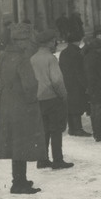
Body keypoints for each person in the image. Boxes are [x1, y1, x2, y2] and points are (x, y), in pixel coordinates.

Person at [0, 23, 48, 194]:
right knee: (22, 144)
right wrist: (31, 100)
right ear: (21, 41)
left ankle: (19, 179)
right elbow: (30, 85)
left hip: (5, 106)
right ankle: (18, 184)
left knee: (16, 144)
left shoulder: (1, 57)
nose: (27, 44)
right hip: (22, 108)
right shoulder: (22, 59)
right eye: (25, 40)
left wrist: (2, 92)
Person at [30, 30, 74, 170]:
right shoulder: (50, 58)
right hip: (52, 98)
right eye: (54, 41)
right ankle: (58, 160)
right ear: (48, 42)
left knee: (44, 130)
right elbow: (57, 80)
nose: (55, 43)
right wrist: (63, 94)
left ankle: (42, 160)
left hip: (38, 99)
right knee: (55, 130)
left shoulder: (33, 58)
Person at [59, 30, 93, 137]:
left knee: (70, 105)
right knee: (77, 106)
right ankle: (78, 129)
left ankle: (72, 128)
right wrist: (86, 85)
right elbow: (80, 71)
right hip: (76, 84)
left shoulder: (63, 52)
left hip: (66, 82)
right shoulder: (77, 53)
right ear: (78, 41)